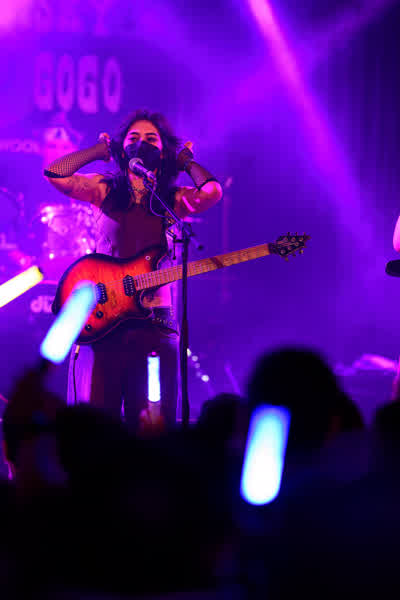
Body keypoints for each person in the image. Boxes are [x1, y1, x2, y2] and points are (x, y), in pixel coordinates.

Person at [44, 109, 222, 430]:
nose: (142, 143)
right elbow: (55, 173)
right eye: (134, 138)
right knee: (99, 424)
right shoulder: (103, 189)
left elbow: (212, 192)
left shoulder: (171, 199)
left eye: (151, 139)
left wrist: (185, 162)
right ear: (122, 147)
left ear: (163, 151)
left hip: (155, 321)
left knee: (151, 424)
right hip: (106, 317)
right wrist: (98, 151)